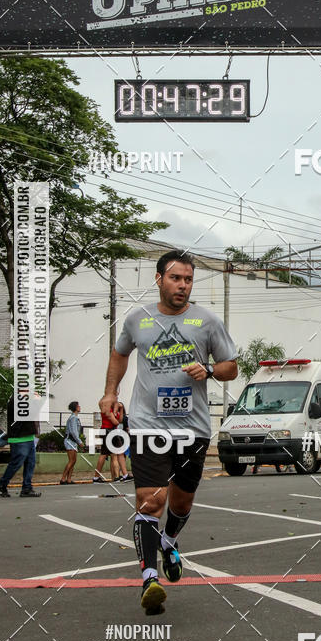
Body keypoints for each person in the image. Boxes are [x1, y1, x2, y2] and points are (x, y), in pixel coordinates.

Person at [99, 250, 238, 615]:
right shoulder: (137, 320)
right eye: (176, 278)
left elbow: (231, 367)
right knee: (150, 500)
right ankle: (149, 579)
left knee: (180, 503)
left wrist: (208, 371)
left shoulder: (206, 321)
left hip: (192, 428)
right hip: (148, 426)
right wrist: (111, 391)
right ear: (159, 279)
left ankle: (170, 541)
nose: (183, 286)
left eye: (189, 280)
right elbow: (119, 354)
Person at [0, 396, 41, 498]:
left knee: (30, 463)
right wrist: (36, 402)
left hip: (28, 436)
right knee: (16, 463)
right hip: (19, 437)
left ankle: (27, 488)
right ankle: (2, 484)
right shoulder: (16, 400)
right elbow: (27, 414)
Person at [61, 401, 83, 484]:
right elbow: (73, 432)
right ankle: (63, 478)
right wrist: (79, 441)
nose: (80, 407)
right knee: (71, 461)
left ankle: (69, 479)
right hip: (70, 441)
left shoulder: (74, 417)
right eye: (78, 406)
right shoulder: (73, 418)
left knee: (73, 460)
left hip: (73, 442)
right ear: (75, 408)